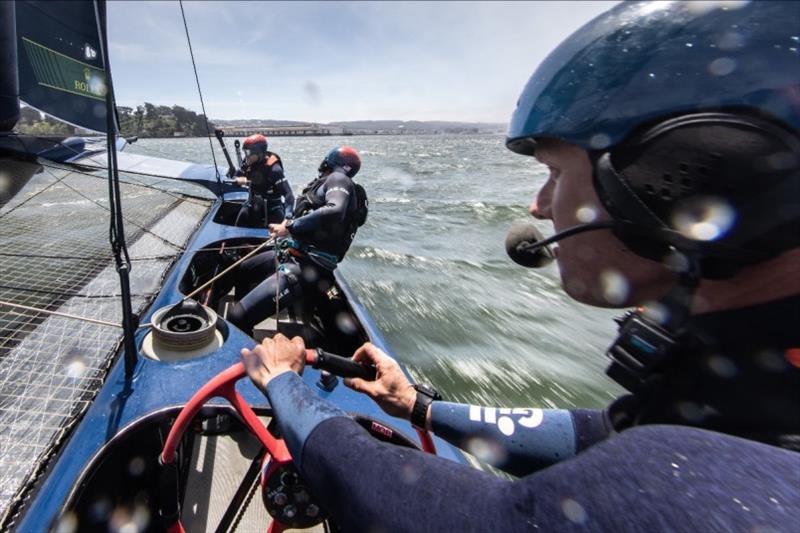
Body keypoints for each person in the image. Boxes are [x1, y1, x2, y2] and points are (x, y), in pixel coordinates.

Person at [241, 2, 799, 531]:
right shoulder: (747, 387)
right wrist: (420, 406)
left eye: (554, 172)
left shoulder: (747, 481)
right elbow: (610, 435)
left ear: (678, 175)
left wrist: (286, 386)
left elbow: (485, 518)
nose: (538, 204)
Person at [225, 145, 367, 334]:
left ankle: (241, 332)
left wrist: (289, 227)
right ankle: (248, 311)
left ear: (330, 160)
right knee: (243, 270)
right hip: (294, 253)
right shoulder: (339, 185)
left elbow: (335, 209)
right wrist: (289, 224)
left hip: (306, 267)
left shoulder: (339, 179)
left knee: (236, 318)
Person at [233, 134, 294, 227]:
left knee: (279, 226)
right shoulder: (248, 162)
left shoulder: (274, 169)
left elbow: (289, 194)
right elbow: (235, 177)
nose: (246, 155)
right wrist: (239, 179)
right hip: (253, 203)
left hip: (272, 206)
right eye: (245, 152)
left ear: (259, 152)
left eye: (248, 152)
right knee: (240, 221)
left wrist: (288, 217)